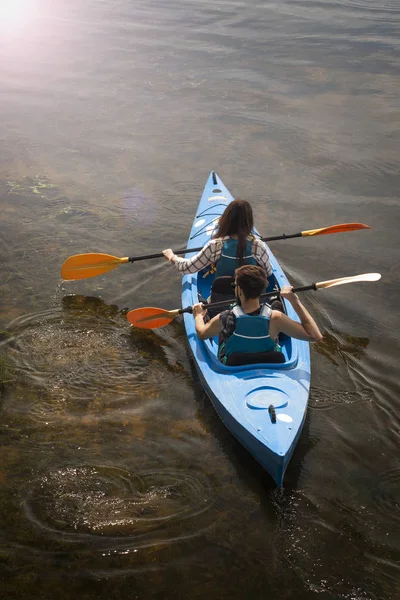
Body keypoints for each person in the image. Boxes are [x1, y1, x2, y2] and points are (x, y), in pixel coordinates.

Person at [192, 265, 323, 365]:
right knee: (276, 305)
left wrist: (198, 316)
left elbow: (202, 334)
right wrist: (295, 301)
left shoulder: (226, 317)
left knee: (223, 330)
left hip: (234, 363)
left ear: (240, 289)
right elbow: (315, 336)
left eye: (235, 285)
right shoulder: (276, 318)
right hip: (270, 361)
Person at [162, 199, 273, 279]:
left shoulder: (215, 245)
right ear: (249, 222)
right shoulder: (258, 245)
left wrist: (172, 257)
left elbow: (187, 268)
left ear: (226, 220)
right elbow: (268, 272)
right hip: (250, 298)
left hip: (221, 298)